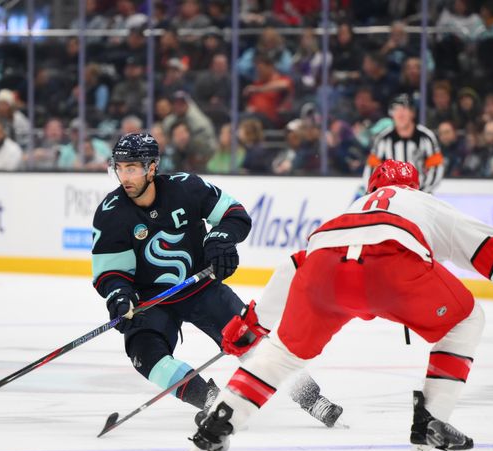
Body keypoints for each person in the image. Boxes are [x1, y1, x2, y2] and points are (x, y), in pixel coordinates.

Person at [186, 159, 493, 451]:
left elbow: (295, 264)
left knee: (284, 354)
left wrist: (256, 322)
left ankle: (221, 422)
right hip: (391, 264)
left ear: (372, 186)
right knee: (465, 319)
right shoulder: (423, 202)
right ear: (414, 186)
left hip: (323, 267)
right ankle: (430, 425)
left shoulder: (355, 207)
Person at [91, 132, 343, 425]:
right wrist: (120, 296)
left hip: (200, 288)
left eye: (132, 168)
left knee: (250, 340)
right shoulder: (111, 213)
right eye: (119, 168)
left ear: (151, 167)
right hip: (152, 301)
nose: (125, 176)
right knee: (145, 355)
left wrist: (220, 241)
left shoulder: (186, 188)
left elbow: (235, 214)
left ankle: (313, 399)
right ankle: (212, 401)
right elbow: (111, 272)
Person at [362, 94, 444, 193]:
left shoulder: (426, 137)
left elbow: (436, 169)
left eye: (404, 109)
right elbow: (371, 170)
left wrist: (421, 193)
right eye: (396, 109)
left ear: (412, 113)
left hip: (421, 196)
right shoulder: (383, 139)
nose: (400, 114)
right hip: (391, 197)